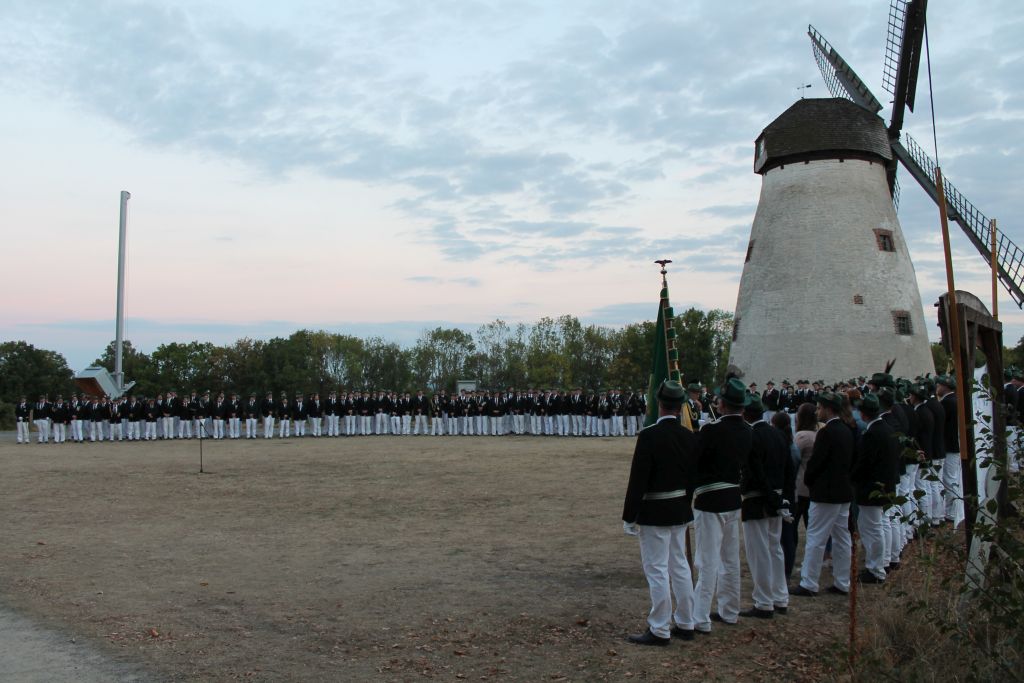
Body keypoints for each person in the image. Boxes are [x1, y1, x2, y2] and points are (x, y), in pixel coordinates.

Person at [622, 380, 699, 646]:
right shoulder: (689, 436)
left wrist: (630, 515)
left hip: (655, 512)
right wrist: (685, 504)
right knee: (679, 567)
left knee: (657, 569)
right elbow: (693, 478)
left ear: (659, 404)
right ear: (680, 407)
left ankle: (660, 628)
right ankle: (687, 622)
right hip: (679, 510)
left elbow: (638, 480)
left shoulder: (649, 435)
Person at [692, 377, 752, 632]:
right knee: (729, 559)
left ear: (723, 405)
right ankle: (729, 610)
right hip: (733, 498)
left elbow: (696, 461)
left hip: (710, 499)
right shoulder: (749, 431)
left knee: (708, 562)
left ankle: (700, 617)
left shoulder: (711, 431)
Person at [791, 392, 854, 597]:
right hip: (843, 491)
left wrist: (809, 480)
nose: (818, 411)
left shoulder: (827, 433)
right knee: (842, 537)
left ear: (828, 409)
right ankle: (842, 581)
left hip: (825, 493)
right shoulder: (846, 430)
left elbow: (816, 462)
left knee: (816, 537)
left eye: (820, 407)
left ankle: (809, 582)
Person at [740, 395, 792, 618]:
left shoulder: (751, 436)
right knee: (774, 549)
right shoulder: (778, 434)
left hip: (759, 499)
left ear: (745, 413)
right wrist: (782, 500)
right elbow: (789, 470)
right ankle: (780, 597)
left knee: (759, 552)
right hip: (776, 498)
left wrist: (770, 497)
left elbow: (755, 473)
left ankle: (764, 602)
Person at [851, 393, 899, 584]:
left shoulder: (872, 434)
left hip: (871, 489)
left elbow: (864, 463)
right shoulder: (886, 429)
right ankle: (878, 564)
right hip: (884, 485)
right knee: (877, 527)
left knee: (872, 529)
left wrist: (852, 478)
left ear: (863, 414)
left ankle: (876, 569)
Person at [936, 376, 962, 524]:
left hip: (950, 445)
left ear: (946, 387)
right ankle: (951, 510)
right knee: (951, 478)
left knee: (949, 479)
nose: (937, 388)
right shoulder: (954, 400)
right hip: (953, 444)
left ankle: (952, 512)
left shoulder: (947, 403)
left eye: (939, 385)